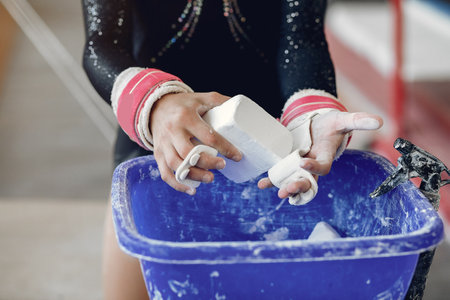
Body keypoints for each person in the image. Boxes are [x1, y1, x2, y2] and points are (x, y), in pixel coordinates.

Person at [81, 0, 383, 299]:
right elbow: (102, 45)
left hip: (275, 148)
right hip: (160, 139)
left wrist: (310, 115)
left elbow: (302, 37)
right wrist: (156, 104)